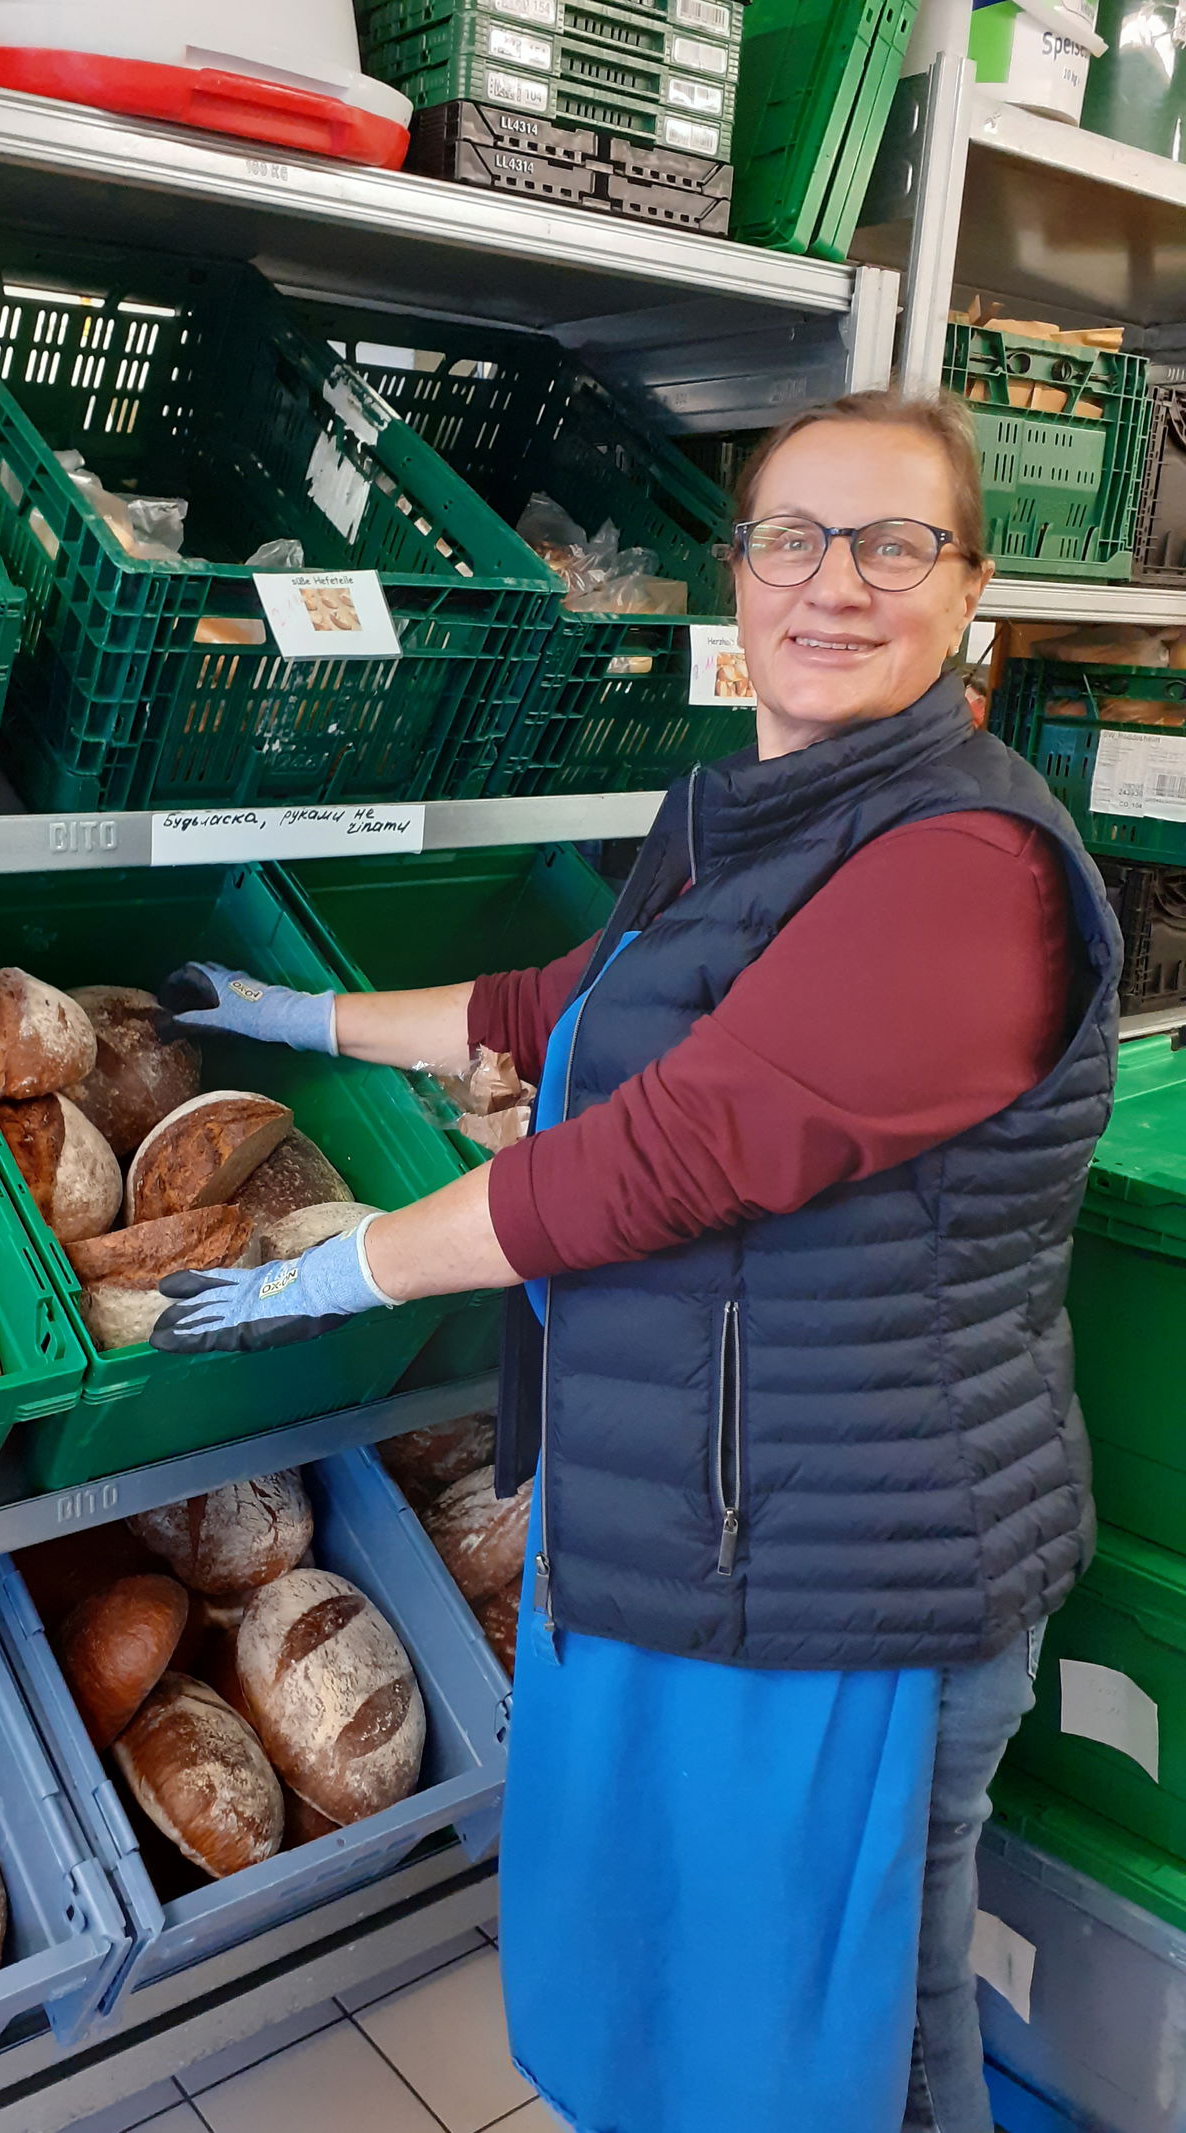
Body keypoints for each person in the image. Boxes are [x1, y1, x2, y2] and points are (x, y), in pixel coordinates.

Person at [150, 389, 1121, 2133]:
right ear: (737, 574)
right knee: (723, 2010)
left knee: (858, 2047)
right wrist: (310, 1016)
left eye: (895, 543)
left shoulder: (971, 869)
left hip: (853, 1572)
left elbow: (677, 1149)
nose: (836, 582)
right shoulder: (760, 812)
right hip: (715, 1526)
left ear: (970, 588)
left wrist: (344, 1269)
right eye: (793, 539)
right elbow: (568, 1007)